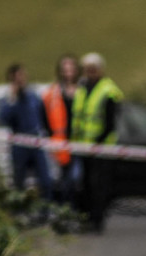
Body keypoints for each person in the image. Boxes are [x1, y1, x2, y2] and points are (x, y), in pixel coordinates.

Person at [71, 52, 123, 232]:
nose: (90, 72)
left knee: (98, 185)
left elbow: (110, 123)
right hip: (82, 145)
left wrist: (97, 142)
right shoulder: (82, 87)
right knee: (83, 184)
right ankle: (86, 218)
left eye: (93, 69)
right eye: (87, 69)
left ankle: (97, 219)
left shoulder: (108, 89)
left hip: (101, 147)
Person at [0, 64, 52, 198]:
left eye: (22, 76)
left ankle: (46, 208)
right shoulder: (9, 99)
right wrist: (13, 98)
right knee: (19, 179)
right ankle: (19, 208)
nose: (20, 80)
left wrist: (48, 134)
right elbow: (3, 118)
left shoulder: (33, 96)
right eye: (16, 78)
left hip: (36, 141)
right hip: (19, 143)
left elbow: (43, 116)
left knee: (45, 179)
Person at [41, 54, 80, 206]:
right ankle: (63, 210)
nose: (68, 73)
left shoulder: (82, 90)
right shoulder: (53, 92)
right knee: (61, 181)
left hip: (80, 141)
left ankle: (74, 209)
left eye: (71, 69)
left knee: (76, 179)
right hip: (59, 143)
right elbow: (44, 116)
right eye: (65, 69)